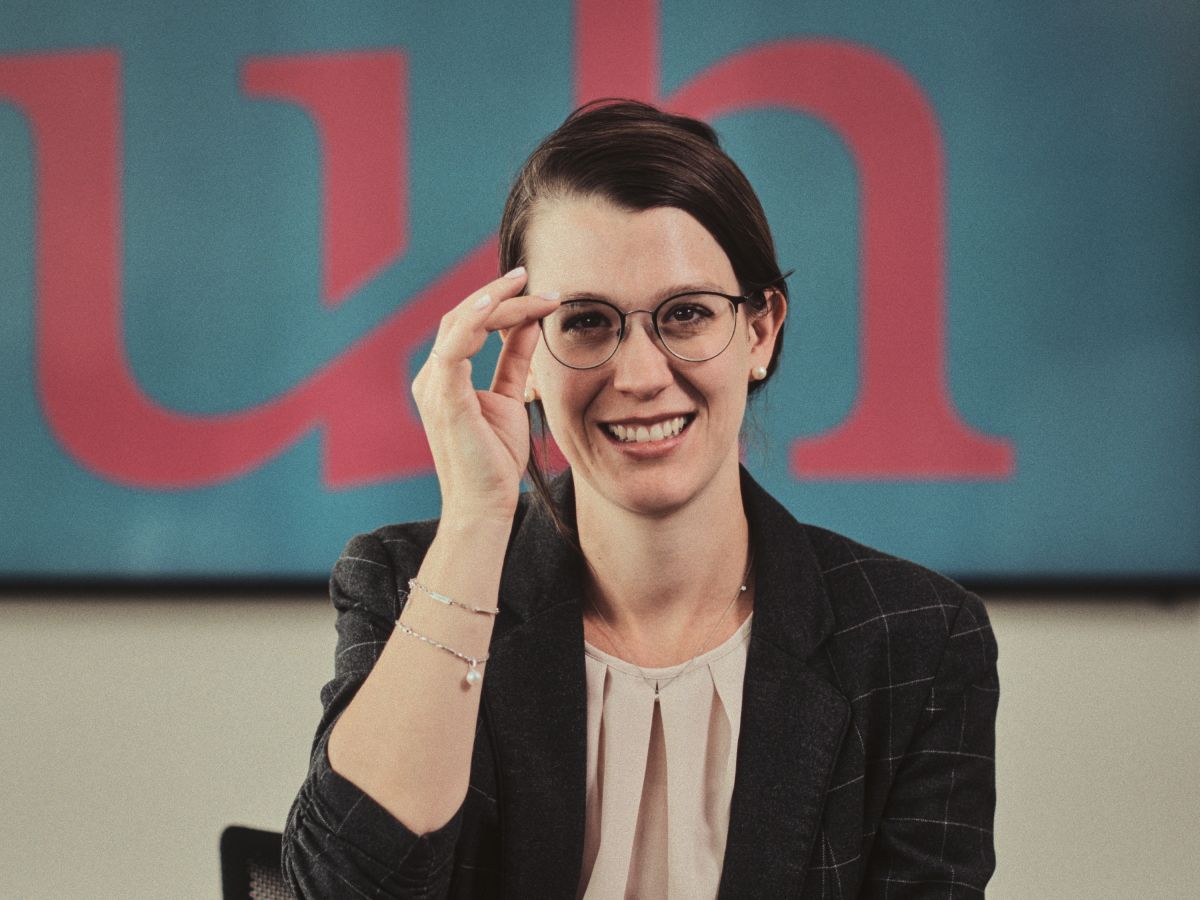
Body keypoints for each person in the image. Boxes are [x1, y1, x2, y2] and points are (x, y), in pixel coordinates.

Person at [282, 99, 998, 899]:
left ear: (760, 331)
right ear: (527, 351)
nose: (640, 375)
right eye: (586, 321)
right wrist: (478, 520)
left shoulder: (917, 641)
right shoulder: (408, 580)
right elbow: (340, 891)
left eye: (686, 314)